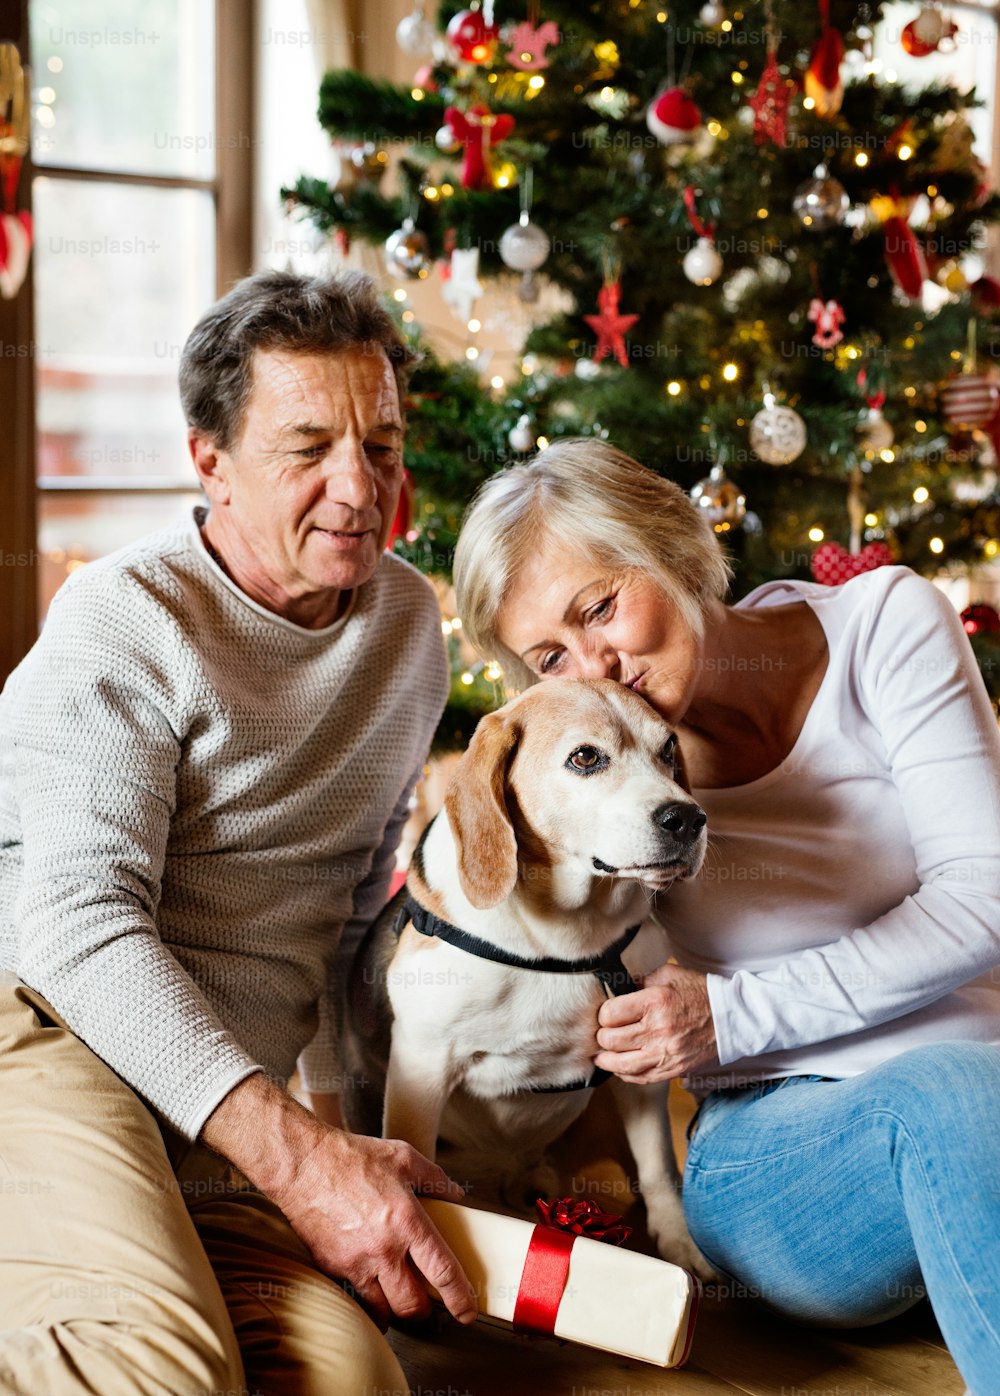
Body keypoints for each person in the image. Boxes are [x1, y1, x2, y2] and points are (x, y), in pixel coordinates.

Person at [0, 269, 478, 1396]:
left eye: (382, 443)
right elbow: (76, 931)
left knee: (352, 1381)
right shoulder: (127, 620)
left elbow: (355, 921)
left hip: (210, 1095)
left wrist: (358, 1147)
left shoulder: (407, 625)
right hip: (45, 1024)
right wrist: (299, 1158)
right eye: (306, 446)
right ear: (207, 460)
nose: (359, 487)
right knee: (162, 1369)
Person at [452, 436, 1000, 1396]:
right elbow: (491, 904)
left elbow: (987, 892)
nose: (595, 667)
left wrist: (736, 1012)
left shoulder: (885, 627)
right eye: (550, 655)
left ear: (672, 543)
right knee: (953, 1095)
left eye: (601, 607)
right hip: (778, 1148)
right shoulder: (599, 792)